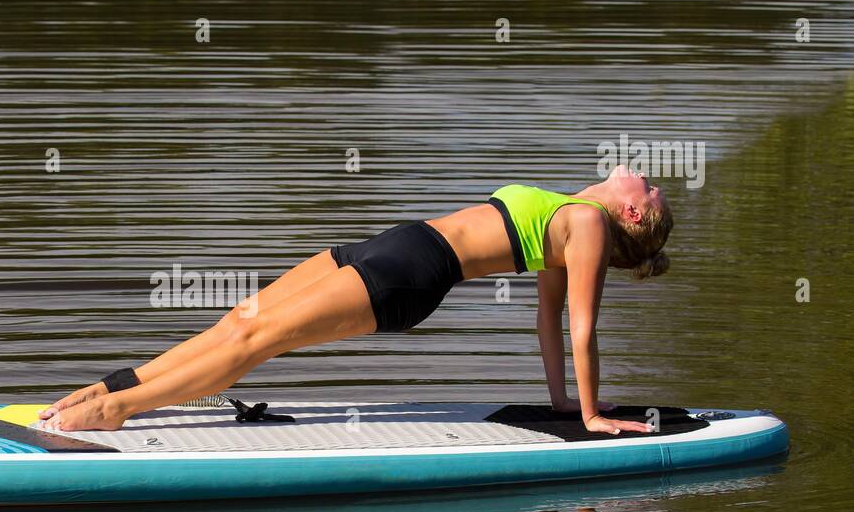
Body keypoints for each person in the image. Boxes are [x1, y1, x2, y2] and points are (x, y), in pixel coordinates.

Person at [41, 165, 672, 435]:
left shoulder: (588, 226)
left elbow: (580, 328)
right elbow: (547, 318)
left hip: (412, 273)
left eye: (652, 189)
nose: (647, 176)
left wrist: (587, 414)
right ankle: (115, 387)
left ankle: (119, 409)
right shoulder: (573, 216)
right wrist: (561, 400)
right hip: (394, 247)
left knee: (256, 340)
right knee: (243, 318)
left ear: (632, 210)